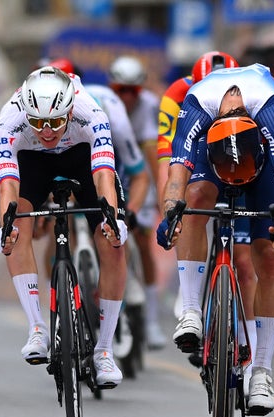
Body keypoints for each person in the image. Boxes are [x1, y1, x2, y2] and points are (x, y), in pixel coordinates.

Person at [157, 63, 274, 416]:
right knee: (195, 196)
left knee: (268, 255)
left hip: (260, 166)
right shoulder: (197, 104)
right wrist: (170, 213)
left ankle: (262, 372)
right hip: (213, 155)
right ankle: (191, 309)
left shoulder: (270, 106)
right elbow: (177, 172)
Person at [0, 66, 127, 388]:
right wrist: (6, 225)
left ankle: (104, 351)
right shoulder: (8, 122)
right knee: (17, 229)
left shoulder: (90, 111)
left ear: (69, 109)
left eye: (56, 121)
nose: (48, 131)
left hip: (80, 157)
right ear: (27, 114)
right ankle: (37, 328)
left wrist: (113, 220)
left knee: (112, 241)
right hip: (32, 163)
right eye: (38, 123)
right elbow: (8, 186)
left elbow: (103, 174)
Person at [156, 51, 259, 377]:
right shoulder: (180, 95)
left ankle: (250, 351)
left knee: (244, 262)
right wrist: (169, 212)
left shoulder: (251, 96)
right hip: (200, 149)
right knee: (192, 204)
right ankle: (190, 304)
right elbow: (167, 160)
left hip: (242, 153)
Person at [108, 55, 166, 349]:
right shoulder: (104, 103)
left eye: (133, 91)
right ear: (112, 88)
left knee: (143, 243)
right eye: (121, 90)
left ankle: (152, 320)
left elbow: (152, 157)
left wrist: (161, 195)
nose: (127, 97)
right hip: (111, 170)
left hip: (137, 174)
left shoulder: (149, 105)